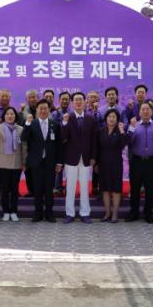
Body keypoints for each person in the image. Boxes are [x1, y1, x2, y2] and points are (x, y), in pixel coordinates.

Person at [22, 100, 63, 222]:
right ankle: (38, 213)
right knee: (37, 189)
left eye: (45, 108)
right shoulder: (31, 123)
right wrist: (27, 123)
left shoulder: (55, 124)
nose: (43, 111)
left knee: (49, 189)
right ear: (37, 110)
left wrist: (59, 162)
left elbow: (59, 145)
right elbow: (24, 138)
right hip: (36, 162)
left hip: (50, 162)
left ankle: (49, 213)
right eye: (41, 108)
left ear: (49, 110)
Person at [61, 92, 98, 223]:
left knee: (84, 187)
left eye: (80, 99)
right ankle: (69, 213)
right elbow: (63, 138)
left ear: (85, 102)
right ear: (72, 103)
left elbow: (94, 140)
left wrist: (93, 157)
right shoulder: (67, 117)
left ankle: (85, 213)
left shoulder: (91, 119)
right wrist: (64, 123)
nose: (78, 102)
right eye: (76, 100)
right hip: (71, 158)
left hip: (86, 158)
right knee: (70, 187)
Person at [126, 102, 153, 224]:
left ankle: (148, 213)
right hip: (137, 161)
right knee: (135, 188)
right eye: (143, 109)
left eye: (148, 109)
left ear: (151, 112)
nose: (145, 111)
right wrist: (131, 128)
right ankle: (134, 213)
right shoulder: (134, 125)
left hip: (151, 161)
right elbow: (129, 142)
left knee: (150, 188)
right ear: (139, 112)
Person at [0, 106, 27, 222]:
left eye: (12, 114)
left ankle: (14, 211)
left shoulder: (20, 129)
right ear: (4, 116)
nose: (10, 116)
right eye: (7, 114)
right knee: (4, 189)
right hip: (2, 163)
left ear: (15, 116)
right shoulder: (0, 127)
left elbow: (24, 147)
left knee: (15, 189)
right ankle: (6, 211)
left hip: (16, 163)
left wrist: (24, 162)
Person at [96, 109, 129, 223]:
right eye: (109, 116)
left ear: (117, 119)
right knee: (105, 189)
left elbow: (124, 143)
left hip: (116, 163)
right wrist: (96, 163)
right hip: (103, 162)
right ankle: (107, 213)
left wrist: (122, 130)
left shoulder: (119, 131)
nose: (111, 119)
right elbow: (97, 148)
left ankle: (115, 213)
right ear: (106, 118)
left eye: (114, 117)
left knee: (115, 189)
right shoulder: (101, 131)